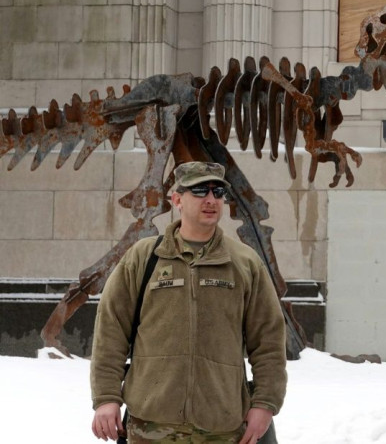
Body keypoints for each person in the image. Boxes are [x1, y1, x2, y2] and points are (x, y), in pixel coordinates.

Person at [90, 161, 287, 443]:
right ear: (177, 199)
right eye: (199, 190)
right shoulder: (145, 257)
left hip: (222, 427)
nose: (211, 199)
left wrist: (265, 403)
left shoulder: (243, 262)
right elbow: (111, 332)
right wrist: (106, 398)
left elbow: (268, 341)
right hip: (151, 427)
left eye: (218, 192)